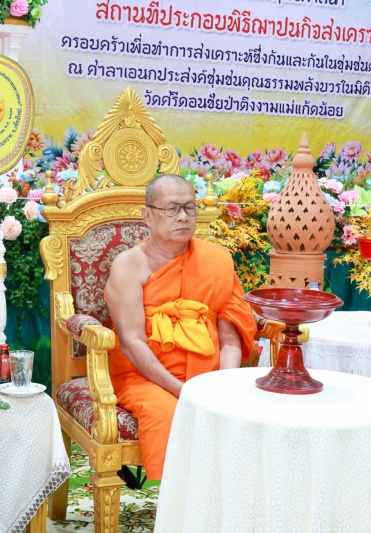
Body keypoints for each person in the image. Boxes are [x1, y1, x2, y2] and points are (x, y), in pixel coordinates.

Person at [104, 174, 257, 482]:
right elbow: (132, 342)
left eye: (189, 207)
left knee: (244, 411)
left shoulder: (216, 260)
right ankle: (177, 501)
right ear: (148, 215)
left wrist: (222, 384)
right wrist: (183, 391)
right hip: (145, 376)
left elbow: (229, 336)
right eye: (171, 208)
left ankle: (229, 497)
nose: (183, 217)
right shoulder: (129, 265)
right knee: (168, 414)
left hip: (209, 375)